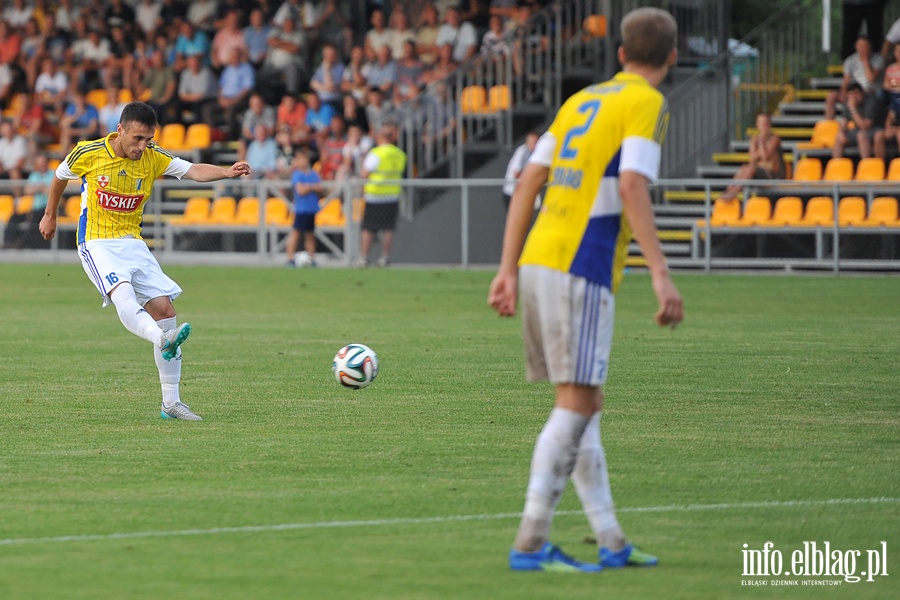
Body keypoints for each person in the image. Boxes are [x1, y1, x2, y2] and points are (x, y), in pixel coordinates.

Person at [487, 7, 683, 572]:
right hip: (583, 263)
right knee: (576, 406)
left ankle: (611, 538)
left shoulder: (582, 101)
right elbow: (631, 185)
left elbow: (529, 179)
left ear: (620, 54)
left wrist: (506, 267)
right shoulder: (645, 103)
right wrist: (662, 273)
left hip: (539, 258)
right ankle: (530, 540)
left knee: (583, 404)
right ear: (671, 57)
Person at [39, 101, 252, 421]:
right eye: (137, 138)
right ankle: (160, 338)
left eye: (148, 139)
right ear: (120, 130)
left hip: (133, 243)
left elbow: (193, 171)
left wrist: (227, 171)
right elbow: (59, 177)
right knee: (122, 293)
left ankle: (171, 403)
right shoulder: (89, 152)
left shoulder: (153, 157)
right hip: (97, 242)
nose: (143, 146)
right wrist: (50, 215)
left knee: (166, 311)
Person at [354, 125, 407, 267]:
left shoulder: (376, 153)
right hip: (392, 195)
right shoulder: (400, 154)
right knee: (388, 228)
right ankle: (385, 258)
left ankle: (364, 258)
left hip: (375, 195)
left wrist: (359, 185)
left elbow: (365, 174)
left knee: (368, 228)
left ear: (381, 137)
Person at [721, 114, 784, 201]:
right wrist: (759, 150)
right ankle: (729, 190)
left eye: (765, 123)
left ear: (769, 124)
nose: (763, 126)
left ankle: (733, 193)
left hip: (773, 174)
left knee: (751, 169)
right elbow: (752, 158)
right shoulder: (754, 139)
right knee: (744, 168)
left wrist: (761, 143)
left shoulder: (775, 138)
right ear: (757, 125)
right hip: (759, 172)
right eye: (761, 123)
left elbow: (765, 157)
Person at [825, 37, 884, 120]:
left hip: (871, 90)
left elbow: (871, 79)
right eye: (860, 46)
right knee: (831, 96)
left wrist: (865, 61)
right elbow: (846, 81)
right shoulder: (850, 61)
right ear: (856, 47)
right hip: (855, 89)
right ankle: (829, 123)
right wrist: (844, 93)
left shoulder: (878, 59)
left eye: (865, 46)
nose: (862, 48)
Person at [285, 149, 324, 267]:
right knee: (296, 233)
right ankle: (290, 258)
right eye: (300, 159)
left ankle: (311, 258)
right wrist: (312, 187)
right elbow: (301, 190)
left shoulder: (313, 174)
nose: (303, 162)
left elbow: (321, 189)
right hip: (301, 209)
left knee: (310, 235)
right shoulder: (297, 174)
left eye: (304, 159)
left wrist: (309, 187)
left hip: (311, 209)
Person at [833, 82, 887, 159]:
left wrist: (853, 109)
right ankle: (836, 165)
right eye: (851, 94)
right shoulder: (847, 103)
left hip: (875, 129)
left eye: (856, 93)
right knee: (839, 137)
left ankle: (865, 165)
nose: (854, 97)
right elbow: (844, 121)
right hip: (858, 129)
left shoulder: (871, 102)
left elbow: (865, 126)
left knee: (861, 135)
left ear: (862, 93)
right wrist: (841, 131)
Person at [501, 131, 538, 211]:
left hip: (521, 193)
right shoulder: (522, 151)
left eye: (536, 142)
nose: (535, 145)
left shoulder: (534, 153)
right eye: (533, 142)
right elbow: (516, 173)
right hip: (511, 192)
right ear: (527, 142)